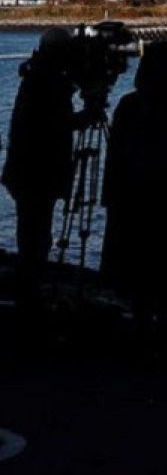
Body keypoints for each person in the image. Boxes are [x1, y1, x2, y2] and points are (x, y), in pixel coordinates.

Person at [100, 41, 167, 359]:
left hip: (132, 203)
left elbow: (115, 159)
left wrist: (111, 199)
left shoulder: (128, 106)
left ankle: (140, 328)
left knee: (137, 271)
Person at [1, 28, 94, 331]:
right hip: (36, 173)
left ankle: (29, 297)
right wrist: (86, 115)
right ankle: (29, 303)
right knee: (35, 238)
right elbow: (55, 126)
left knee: (33, 236)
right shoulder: (47, 82)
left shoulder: (38, 76)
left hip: (27, 172)